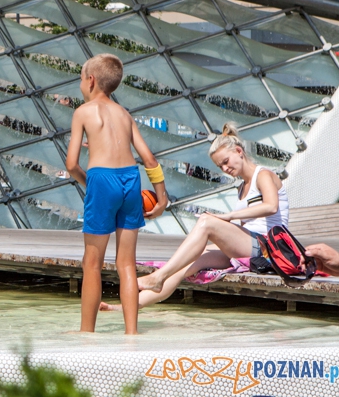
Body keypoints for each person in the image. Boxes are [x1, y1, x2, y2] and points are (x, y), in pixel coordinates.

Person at [131, 123, 289, 307]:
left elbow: (271, 206)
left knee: (207, 221)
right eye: (220, 166)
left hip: (270, 248)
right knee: (185, 265)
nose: (224, 168)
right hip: (251, 246)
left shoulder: (263, 175)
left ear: (239, 151)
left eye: (225, 161)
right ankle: (129, 306)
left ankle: (157, 276)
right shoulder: (242, 186)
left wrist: (229, 217)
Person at [65, 53, 168, 335]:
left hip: (101, 179)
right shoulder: (124, 114)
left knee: (92, 263)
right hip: (130, 180)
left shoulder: (83, 112)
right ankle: (131, 333)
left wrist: (91, 184)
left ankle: (86, 332)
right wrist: (162, 198)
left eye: (80, 79)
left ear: (91, 80)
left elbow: (71, 164)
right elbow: (149, 159)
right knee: (126, 264)